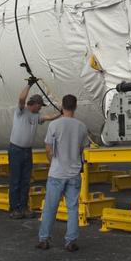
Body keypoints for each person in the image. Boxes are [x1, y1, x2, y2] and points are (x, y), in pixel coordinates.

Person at [35, 94, 89, 251]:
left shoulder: (54, 125)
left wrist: (52, 162)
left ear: (62, 107)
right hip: (74, 173)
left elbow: (48, 148)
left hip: (57, 172)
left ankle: (44, 239)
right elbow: (81, 149)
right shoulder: (81, 126)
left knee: (50, 208)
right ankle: (70, 241)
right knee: (73, 208)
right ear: (75, 106)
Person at [9, 80, 60, 219]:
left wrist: (60, 113)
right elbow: (21, 98)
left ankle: (24, 207)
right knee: (16, 180)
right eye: (40, 106)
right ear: (35, 104)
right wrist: (29, 85)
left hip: (26, 151)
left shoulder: (36, 116)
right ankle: (14, 208)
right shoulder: (21, 111)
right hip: (16, 150)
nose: (40, 108)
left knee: (25, 180)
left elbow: (49, 117)